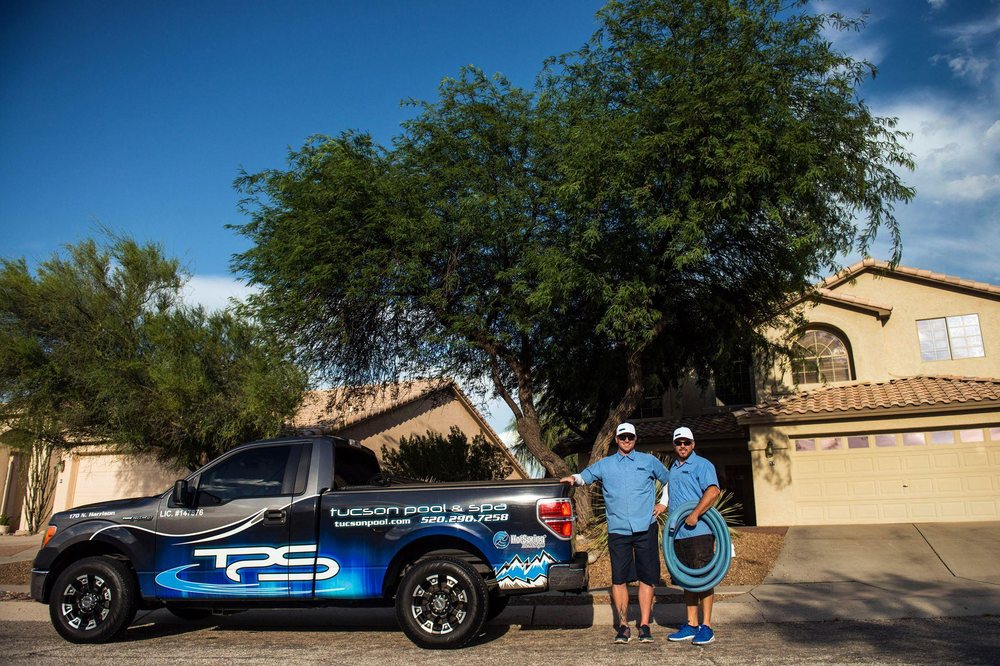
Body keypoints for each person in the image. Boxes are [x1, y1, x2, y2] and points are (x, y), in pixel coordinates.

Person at [561, 422, 669, 644]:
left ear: (635, 439)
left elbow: (670, 480)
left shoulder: (648, 461)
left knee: (647, 577)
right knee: (619, 579)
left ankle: (645, 625)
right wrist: (573, 478)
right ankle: (623, 626)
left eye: (630, 437)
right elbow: (585, 476)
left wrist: (663, 504)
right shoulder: (606, 464)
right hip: (618, 530)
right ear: (617, 440)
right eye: (623, 437)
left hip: (646, 527)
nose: (626, 440)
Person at [665, 426, 721, 646]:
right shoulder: (673, 468)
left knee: (703, 579)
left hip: (700, 532)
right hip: (678, 534)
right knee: (687, 579)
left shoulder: (702, 465)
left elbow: (713, 491)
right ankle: (691, 624)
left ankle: (706, 626)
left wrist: (695, 513)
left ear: (693, 444)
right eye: (679, 442)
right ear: (674, 445)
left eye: (686, 442)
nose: (683, 446)